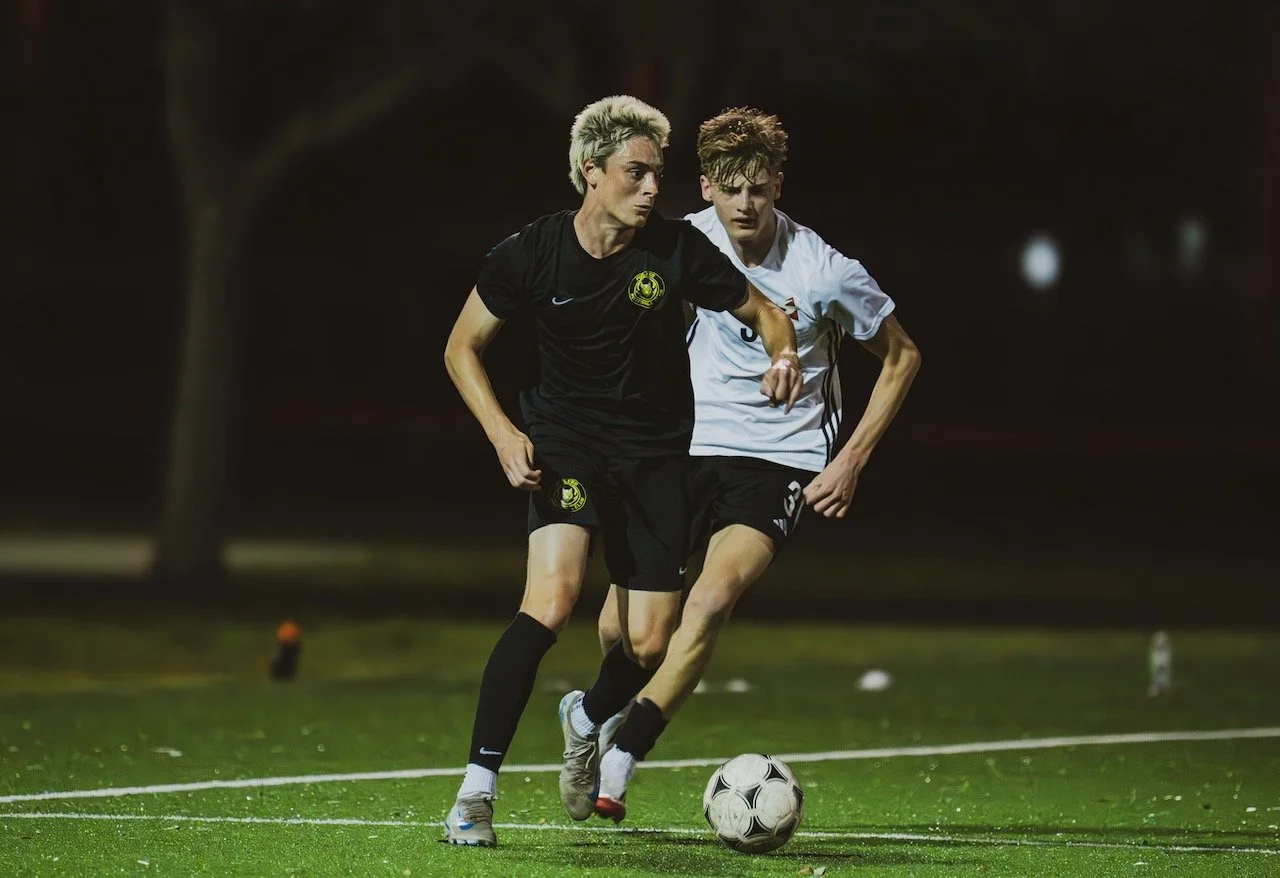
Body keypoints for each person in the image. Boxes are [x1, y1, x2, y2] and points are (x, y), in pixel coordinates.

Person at [440, 95, 802, 847]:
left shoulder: (673, 252)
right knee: (551, 600)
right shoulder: (531, 252)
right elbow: (460, 348)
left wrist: (785, 352)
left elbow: (768, 312)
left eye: (655, 176)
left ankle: (582, 715)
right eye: (635, 174)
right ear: (590, 174)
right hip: (565, 443)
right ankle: (476, 793)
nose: (649, 190)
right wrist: (505, 433)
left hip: (654, 458)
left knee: (646, 644)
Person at [564, 106, 922, 823]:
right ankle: (590, 717)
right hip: (680, 450)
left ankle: (623, 756)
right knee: (621, 632)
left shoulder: (824, 270)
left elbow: (904, 357)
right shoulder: (677, 244)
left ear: (778, 186)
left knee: (710, 600)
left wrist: (849, 461)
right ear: (705, 188)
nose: (746, 204)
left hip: (777, 461)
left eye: (758, 187)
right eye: (731, 188)